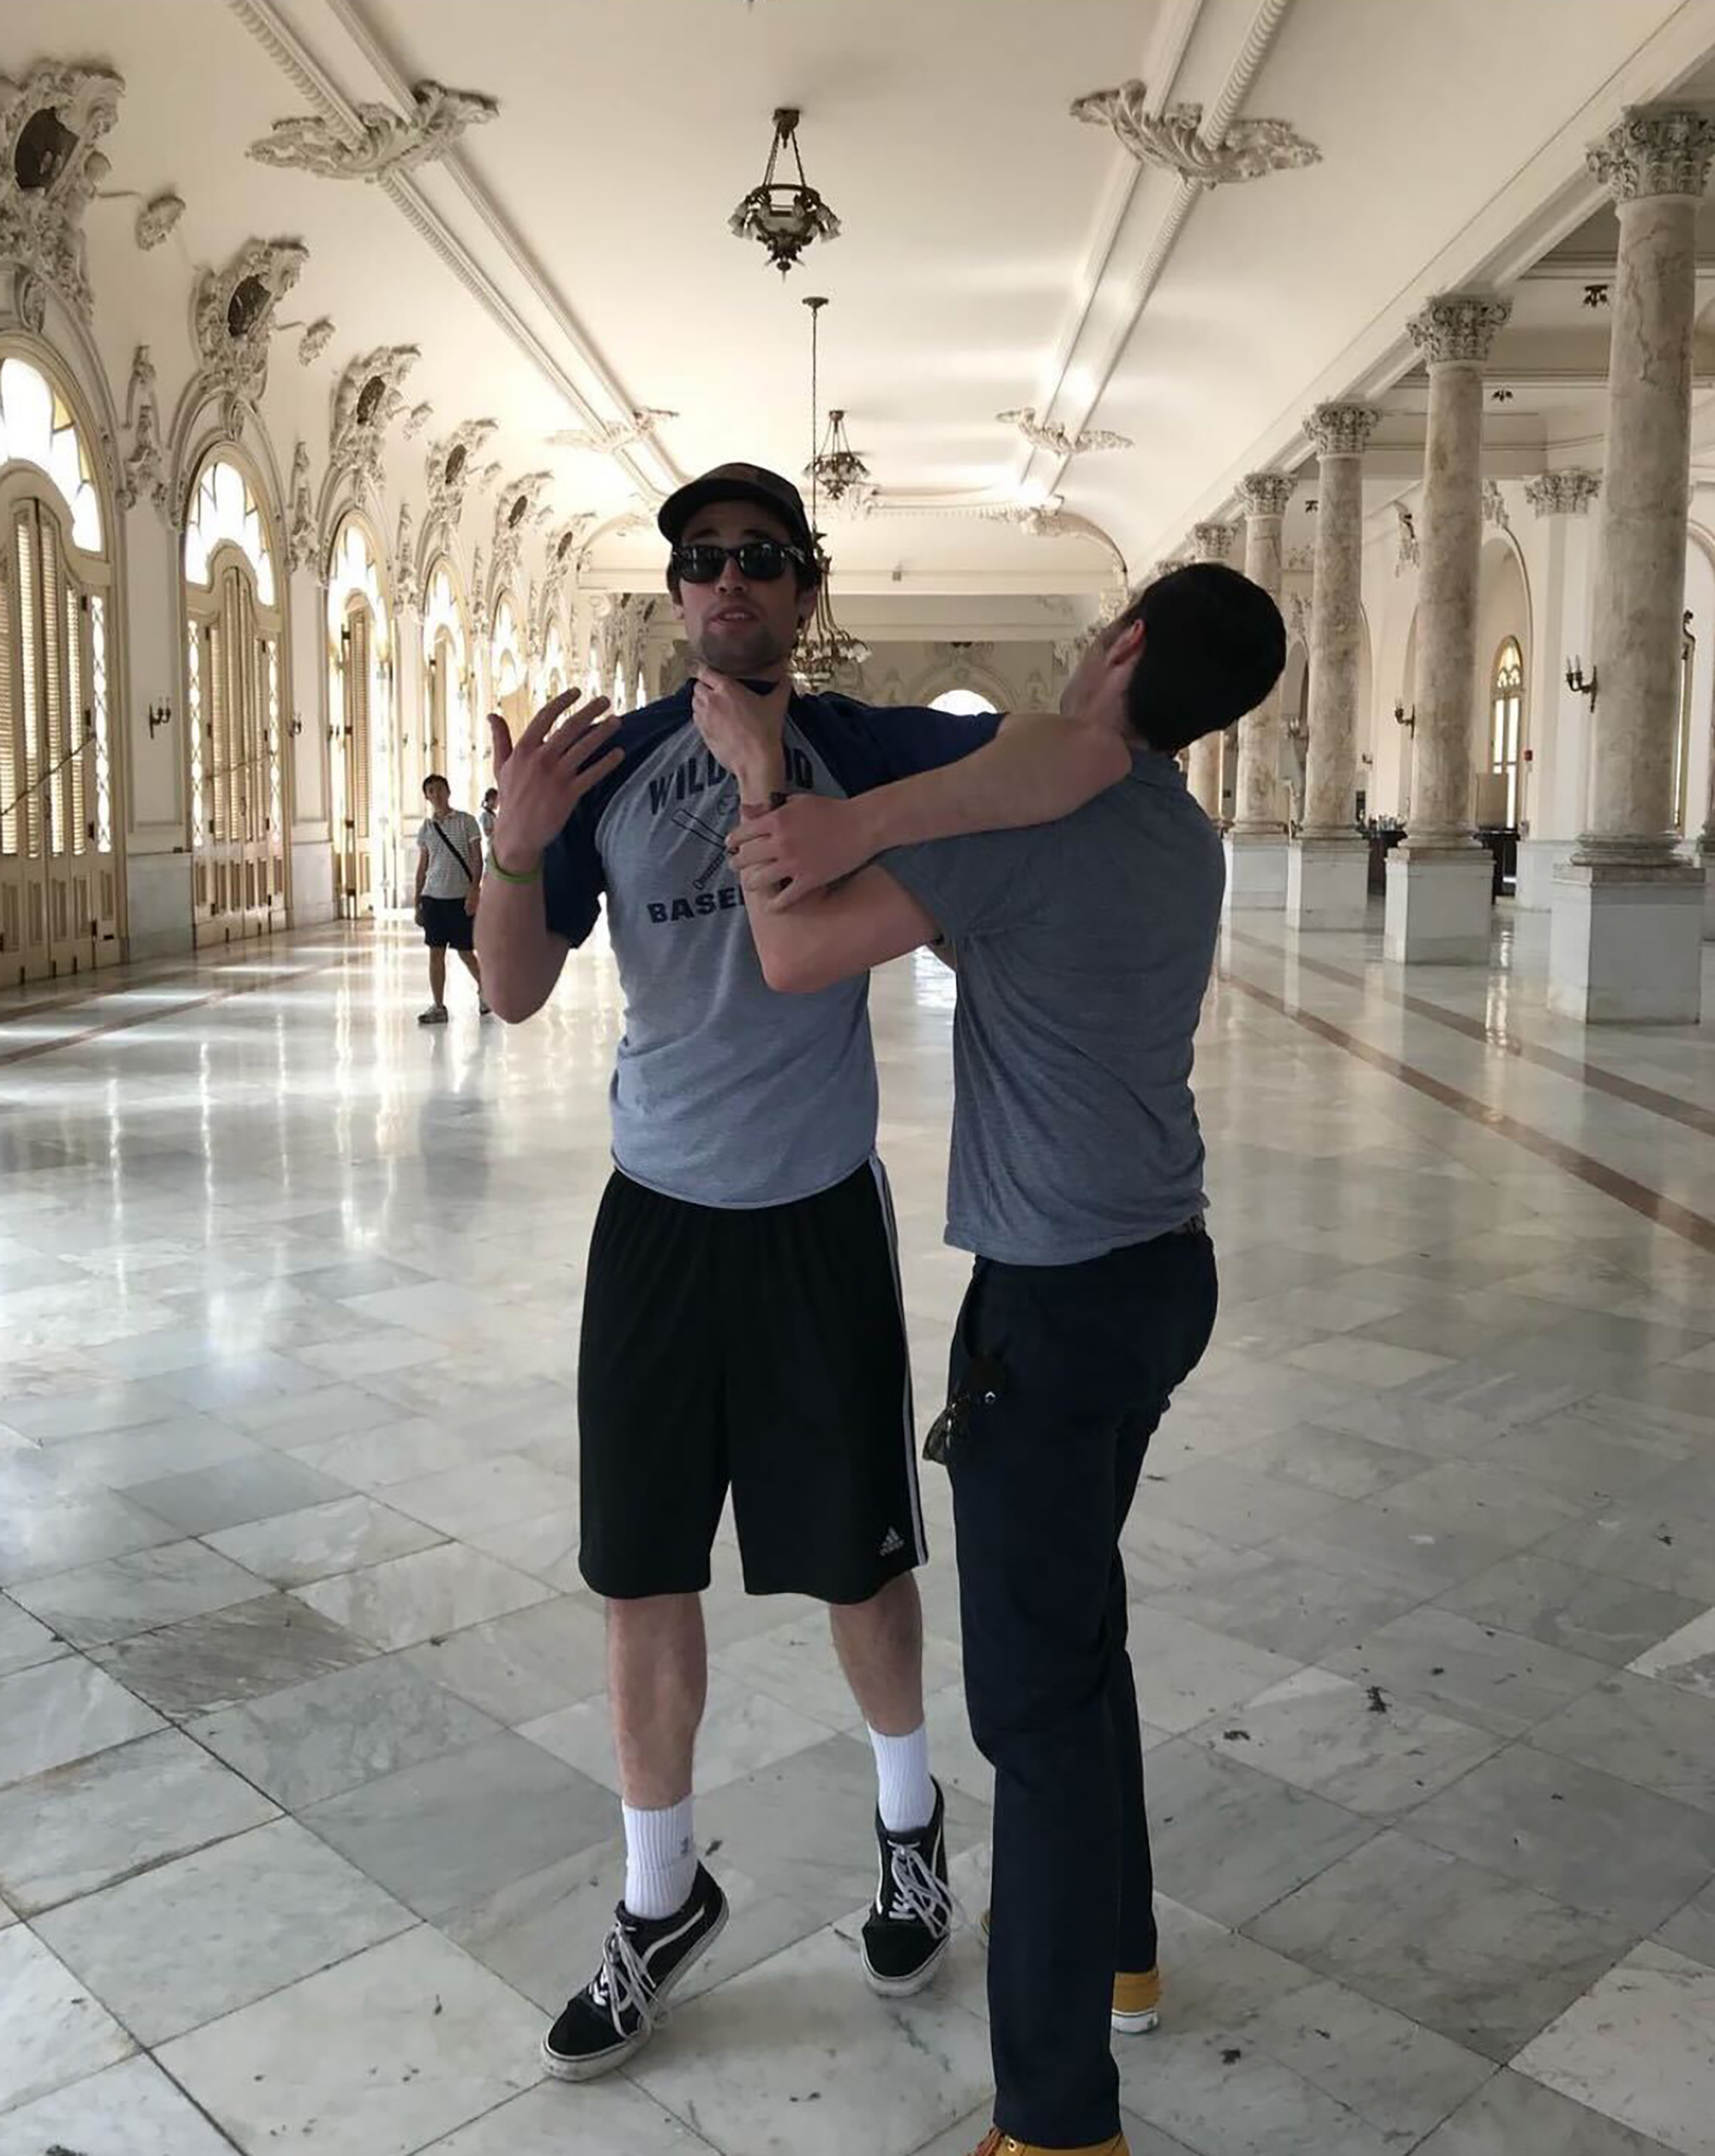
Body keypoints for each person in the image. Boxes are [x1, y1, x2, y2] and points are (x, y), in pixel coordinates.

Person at [475, 461, 1132, 2084]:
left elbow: (1058, 766)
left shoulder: (865, 744)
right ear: (676, 588)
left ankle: (912, 1831)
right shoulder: (610, 767)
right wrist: (512, 844)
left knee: (856, 1562)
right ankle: (658, 1896)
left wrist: (1100, 687)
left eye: (765, 558)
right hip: (656, 1225)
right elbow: (507, 992)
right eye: (704, 560)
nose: (732, 582)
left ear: (806, 591)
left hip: (815, 1221)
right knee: (641, 1573)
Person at [703, 562, 1285, 2156]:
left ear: (1126, 645)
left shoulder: (1018, 835)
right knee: (1082, 1628)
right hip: (1168, 1272)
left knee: (1032, 1712)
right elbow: (1045, 760)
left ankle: (1056, 2119)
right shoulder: (1185, 834)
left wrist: (769, 791)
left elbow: (796, 956)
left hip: (1054, 1302)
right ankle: (1126, 1950)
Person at [413, 773, 488, 1024]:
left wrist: (474, 891)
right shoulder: (426, 828)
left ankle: (485, 991)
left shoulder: (467, 822)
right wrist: (417, 901)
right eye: (431, 791)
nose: (436, 794)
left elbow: (477, 858)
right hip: (433, 897)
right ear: (427, 797)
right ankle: (438, 1005)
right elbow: (422, 866)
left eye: (440, 789)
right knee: (436, 953)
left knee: (466, 952)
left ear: (448, 791)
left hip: (459, 898)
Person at [479, 783, 500, 855]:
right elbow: (487, 833)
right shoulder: (485, 815)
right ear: (491, 800)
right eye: (497, 800)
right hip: (490, 848)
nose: (498, 803)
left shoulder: (492, 814)